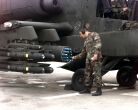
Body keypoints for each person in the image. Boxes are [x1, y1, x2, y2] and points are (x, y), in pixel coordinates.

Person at [72, 23, 103, 96]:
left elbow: (98, 45)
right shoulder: (86, 41)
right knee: (87, 74)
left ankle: (99, 90)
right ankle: (87, 89)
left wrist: (95, 55)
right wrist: (74, 57)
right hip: (88, 59)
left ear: (84, 32)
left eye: (81, 34)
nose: (81, 36)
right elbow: (83, 53)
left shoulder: (94, 35)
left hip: (96, 58)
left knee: (97, 74)